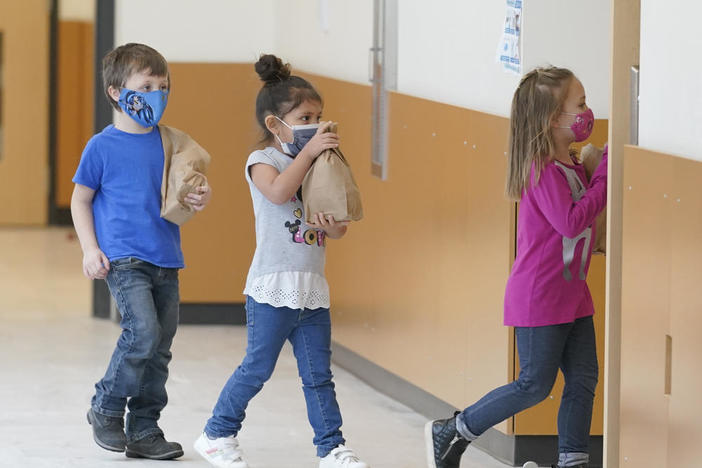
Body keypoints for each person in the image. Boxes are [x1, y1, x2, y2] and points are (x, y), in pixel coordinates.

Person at [425, 67, 608, 468]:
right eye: (579, 105)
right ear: (551, 119)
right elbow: (571, 221)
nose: (587, 111)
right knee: (534, 386)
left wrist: (596, 173)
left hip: (574, 294)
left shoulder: (573, 165)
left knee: (583, 380)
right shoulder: (540, 170)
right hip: (540, 297)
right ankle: (454, 430)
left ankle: (572, 459)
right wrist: (606, 179)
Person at [193, 54, 368, 468]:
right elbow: (277, 193)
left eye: (320, 115)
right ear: (276, 124)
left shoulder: (318, 164)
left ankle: (331, 447)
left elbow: (338, 229)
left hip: (311, 288)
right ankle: (217, 434)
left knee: (318, 375)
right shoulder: (263, 162)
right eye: (307, 116)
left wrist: (330, 219)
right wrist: (309, 158)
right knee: (257, 368)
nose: (317, 124)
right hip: (273, 287)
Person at [71, 42, 211, 460]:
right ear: (117, 92)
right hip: (122, 258)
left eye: (162, 85)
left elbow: (187, 188)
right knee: (143, 332)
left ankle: (145, 430)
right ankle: (106, 407)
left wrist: (200, 196)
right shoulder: (102, 146)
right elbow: (80, 200)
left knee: (159, 349)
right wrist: (89, 249)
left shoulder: (170, 143)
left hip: (166, 258)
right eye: (145, 85)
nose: (156, 93)